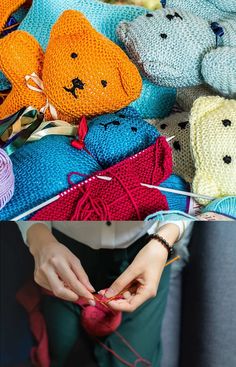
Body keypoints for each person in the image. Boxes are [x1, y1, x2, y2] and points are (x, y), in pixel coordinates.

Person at [18, 221, 190, 367]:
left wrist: (164, 239)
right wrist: (38, 237)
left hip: (145, 252)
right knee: (60, 351)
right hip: (62, 249)